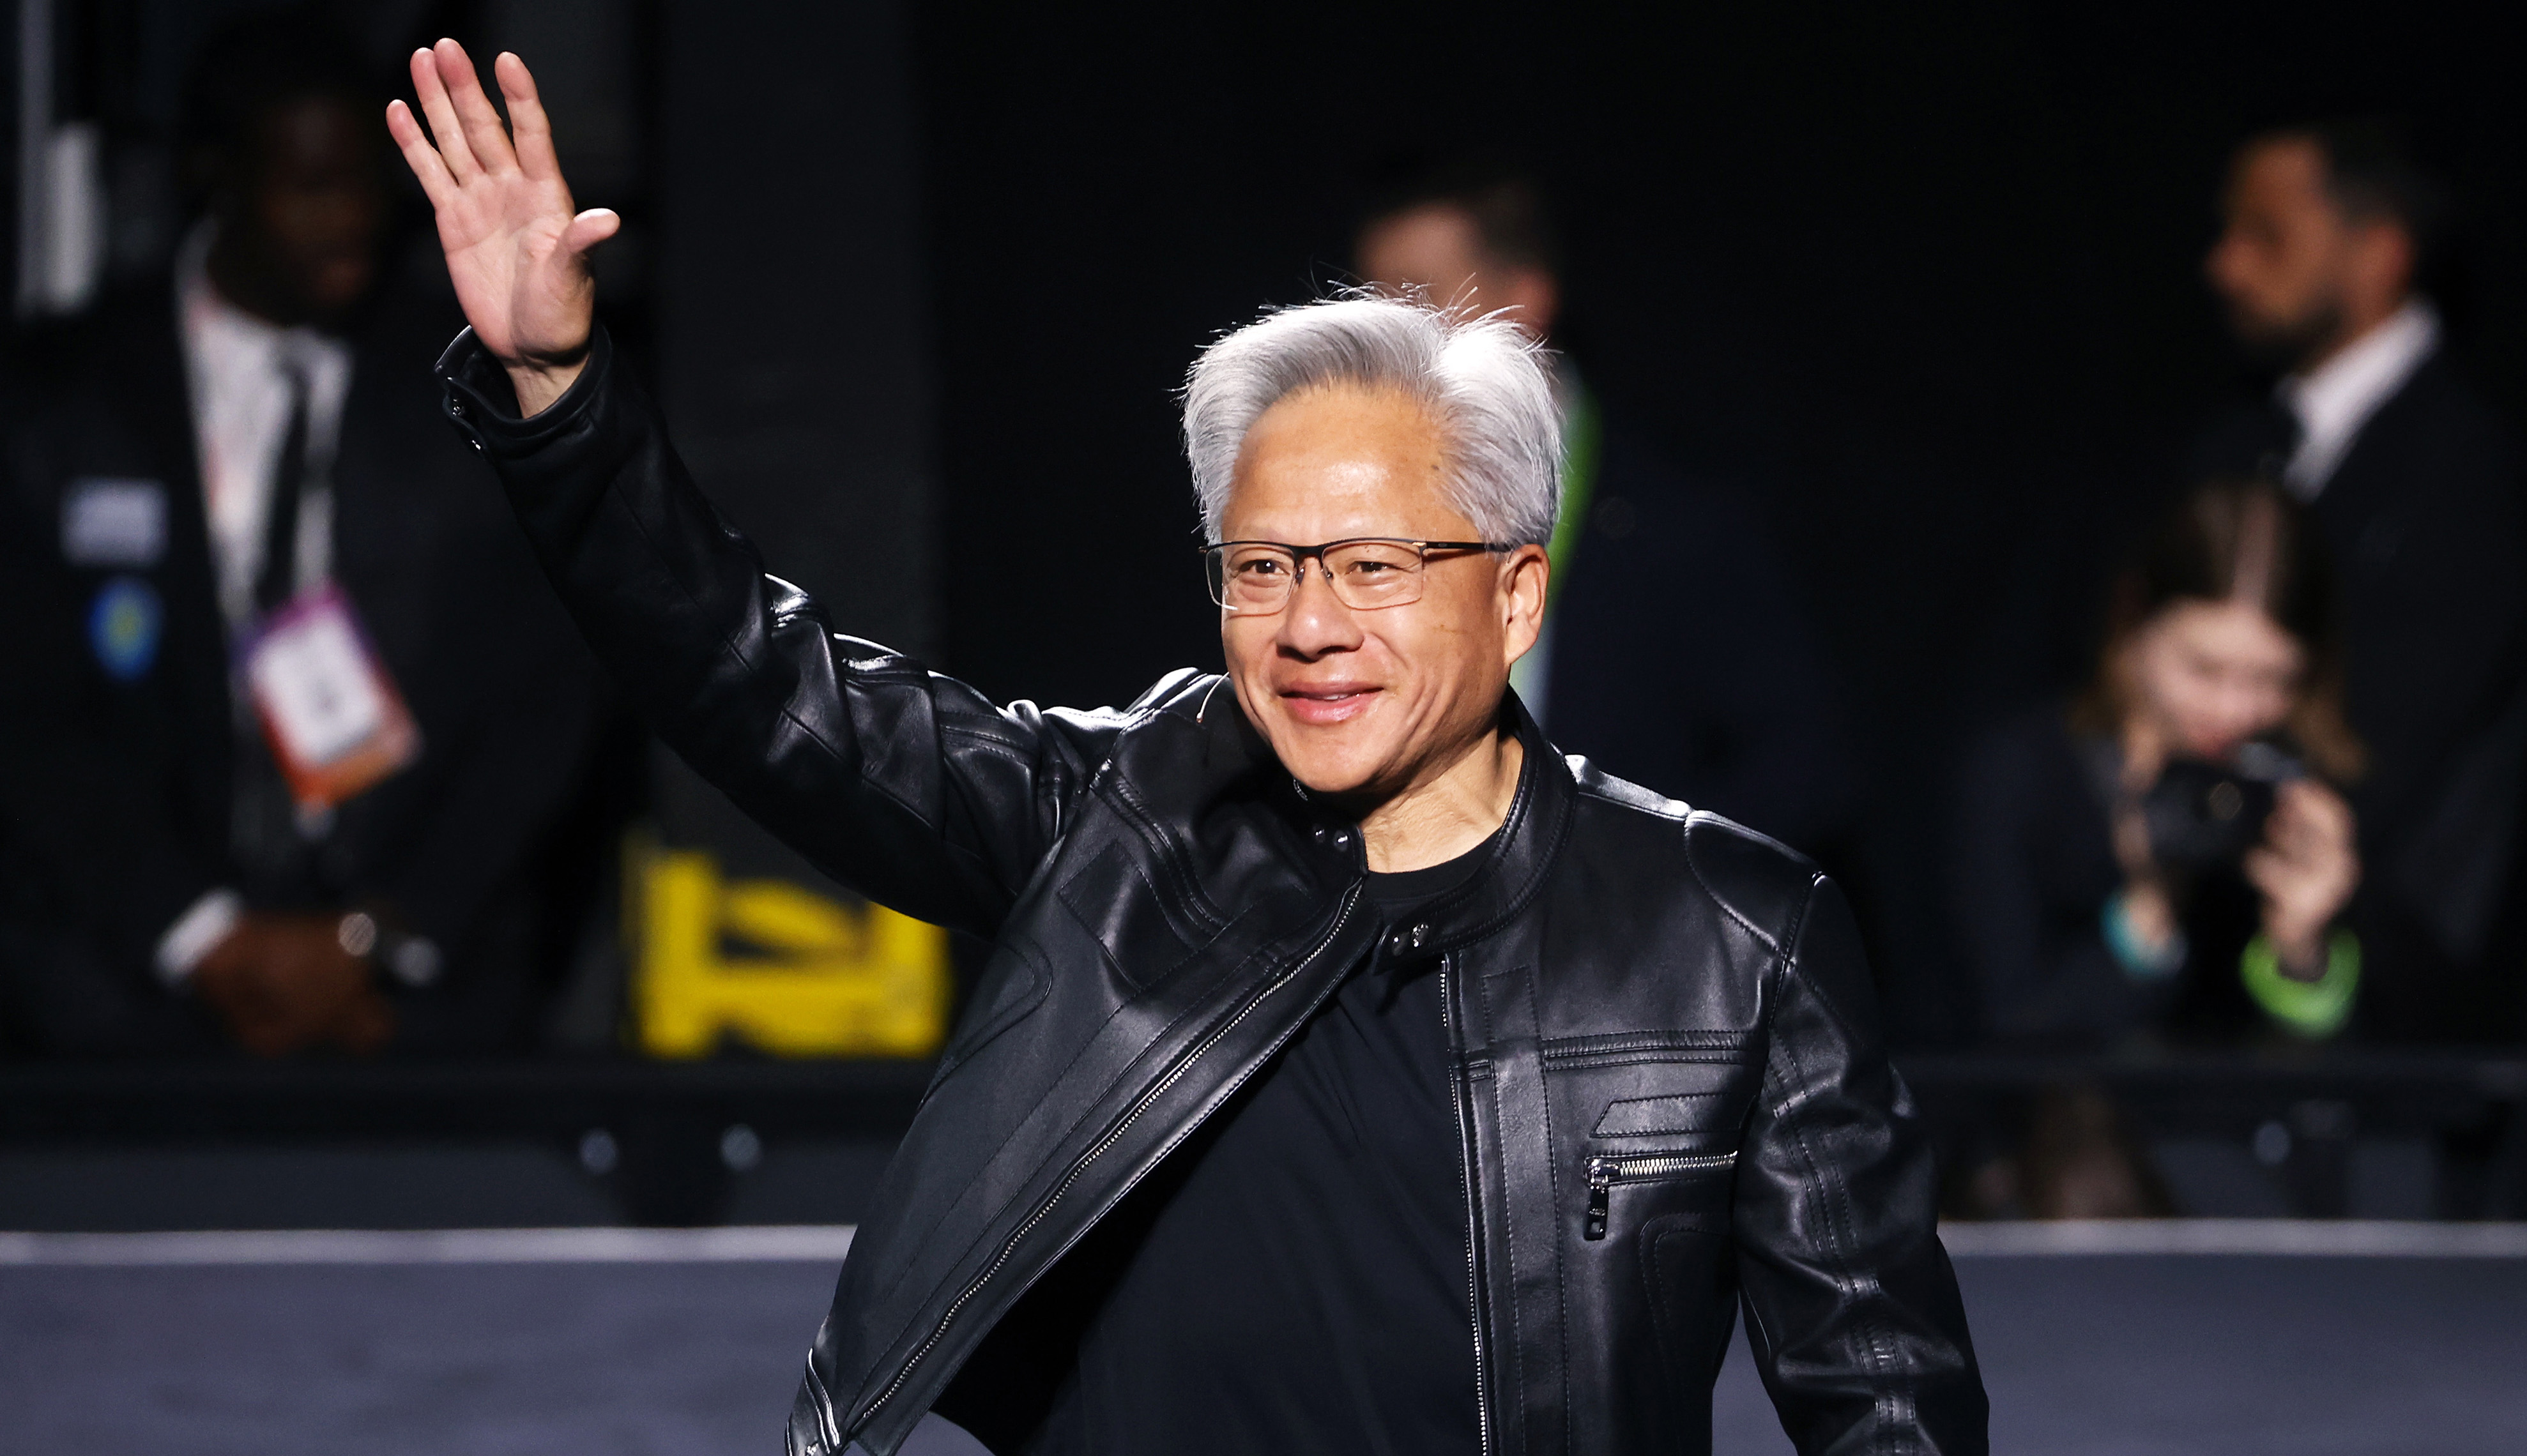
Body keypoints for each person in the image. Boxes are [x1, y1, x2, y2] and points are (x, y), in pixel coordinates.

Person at [392, 41, 1984, 1456]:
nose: (1307, 623)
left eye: (1372, 564)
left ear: (1512, 595)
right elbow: (760, 681)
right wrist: (558, 397)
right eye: (1261, 564)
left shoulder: (1734, 940)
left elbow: (1886, 1401)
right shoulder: (1120, 821)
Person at [0, 19, 621, 1056]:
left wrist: (377, 937)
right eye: (309, 186)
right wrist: (198, 937)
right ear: (220, 179)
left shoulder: (471, 383)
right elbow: (27, 712)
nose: (350, 221)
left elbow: (545, 691)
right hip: (120, 996)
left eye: (367, 185)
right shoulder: (67, 395)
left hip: (415, 999)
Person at [1354, 170, 1861, 857]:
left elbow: (1803, 764)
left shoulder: (1674, 520)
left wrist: (1637, 888)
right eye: (1373, 306)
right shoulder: (1349, 517)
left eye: (1420, 300)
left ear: (1523, 301)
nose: (1384, 338)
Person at [2192, 119, 2527, 1043]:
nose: (2227, 267)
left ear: (2378, 252)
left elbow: (2415, 755)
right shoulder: (2239, 449)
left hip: (2388, 1009)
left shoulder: (2470, 472)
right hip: (2210, 986)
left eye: (2265, 235)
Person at [1949, 479, 2366, 1214]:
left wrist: (2302, 949)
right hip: (2054, 1198)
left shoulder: (2301, 801)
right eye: (2203, 669)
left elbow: (2354, 1089)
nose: (2234, 709)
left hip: (2244, 1198)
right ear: (2133, 622)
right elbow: (2002, 1041)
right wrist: (2147, 912)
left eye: (2272, 679)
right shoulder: (2025, 776)